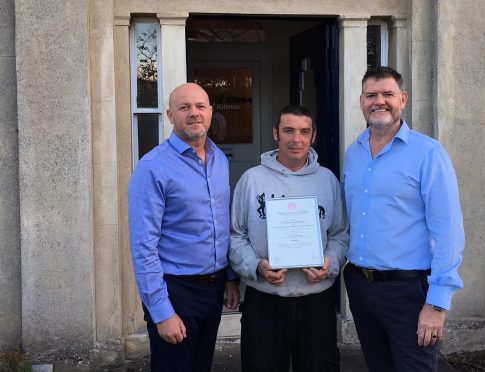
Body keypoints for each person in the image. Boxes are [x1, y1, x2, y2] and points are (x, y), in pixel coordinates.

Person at [342, 66, 465, 372]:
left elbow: (448, 231)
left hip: (408, 292)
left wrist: (437, 304)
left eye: (388, 94)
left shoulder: (428, 154)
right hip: (360, 285)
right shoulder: (353, 153)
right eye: (371, 95)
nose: (379, 101)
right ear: (361, 101)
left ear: (403, 99)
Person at [128, 83, 240, 372]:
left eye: (200, 107)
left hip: (213, 290)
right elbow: (143, 247)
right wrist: (161, 312)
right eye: (184, 107)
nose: (194, 113)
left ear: (211, 112)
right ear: (169, 115)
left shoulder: (218, 160)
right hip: (176, 291)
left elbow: (220, 223)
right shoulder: (153, 167)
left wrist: (229, 277)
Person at [229, 105, 348, 372]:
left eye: (304, 132)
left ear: (313, 136)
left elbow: (340, 234)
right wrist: (255, 266)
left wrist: (329, 263)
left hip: (316, 301)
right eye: (289, 131)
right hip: (265, 300)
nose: (296, 139)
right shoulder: (251, 180)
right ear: (275, 133)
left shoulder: (327, 181)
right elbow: (236, 236)